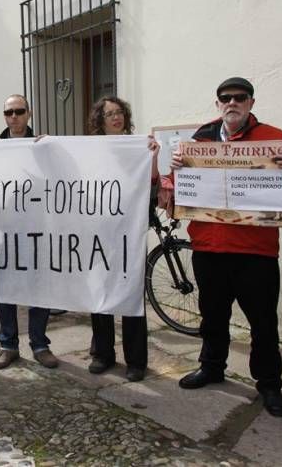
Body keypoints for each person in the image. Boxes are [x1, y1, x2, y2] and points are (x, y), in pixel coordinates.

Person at [171, 77, 282, 417]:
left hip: (255, 252)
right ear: (217, 103)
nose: (231, 103)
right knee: (213, 316)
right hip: (209, 248)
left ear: (250, 103)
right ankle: (212, 366)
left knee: (262, 323)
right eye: (225, 98)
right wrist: (175, 170)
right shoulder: (201, 138)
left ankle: (269, 384)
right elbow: (182, 187)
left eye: (239, 98)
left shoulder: (274, 139)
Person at [86, 96, 159, 382]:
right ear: (100, 121)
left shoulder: (140, 146)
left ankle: (136, 361)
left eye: (119, 113)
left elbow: (152, 184)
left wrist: (152, 157)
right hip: (100, 233)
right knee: (100, 295)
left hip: (129, 233)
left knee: (130, 297)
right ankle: (102, 353)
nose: (116, 118)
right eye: (109, 114)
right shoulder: (92, 150)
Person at [0, 94, 58, 370]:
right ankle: (8, 345)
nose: (14, 116)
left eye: (19, 111)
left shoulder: (42, 146)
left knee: (39, 287)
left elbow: (59, 176)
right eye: (9, 112)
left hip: (36, 228)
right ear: (4, 116)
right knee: (4, 288)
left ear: (29, 113)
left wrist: (52, 150)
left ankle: (39, 344)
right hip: (4, 229)